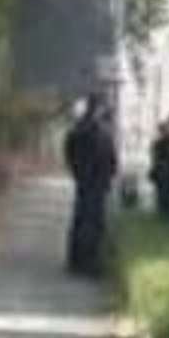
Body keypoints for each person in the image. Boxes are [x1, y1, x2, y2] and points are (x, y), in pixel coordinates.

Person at [64, 94, 118, 277]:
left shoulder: (78, 128)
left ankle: (75, 261)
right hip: (96, 182)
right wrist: (108, 175)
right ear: (99, 108)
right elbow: (109, 157)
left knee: (80, 219)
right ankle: (90, 263)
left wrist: (76, 171)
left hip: (84, 180)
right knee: (93, 223)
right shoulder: (101, 131)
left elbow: (69, 150)